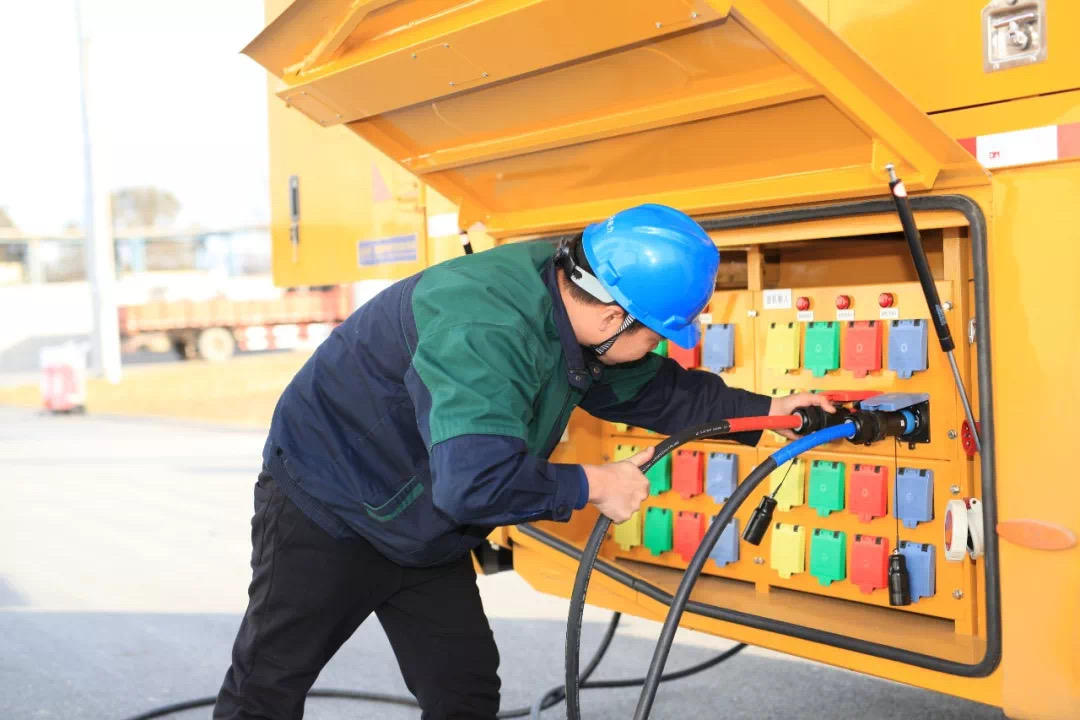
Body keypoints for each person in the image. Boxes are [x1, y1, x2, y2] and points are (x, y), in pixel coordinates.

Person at [213, 203, 834, 719]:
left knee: (464, 689)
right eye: (653, 336)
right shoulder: (484, 327)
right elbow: (474, 483)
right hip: (330, 506)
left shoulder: (570, 300)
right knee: (269, 683)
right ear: (615, 317)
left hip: (424, 519)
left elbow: (652, 388)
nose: (655, 349)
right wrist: (596, 484)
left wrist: (770, 414)